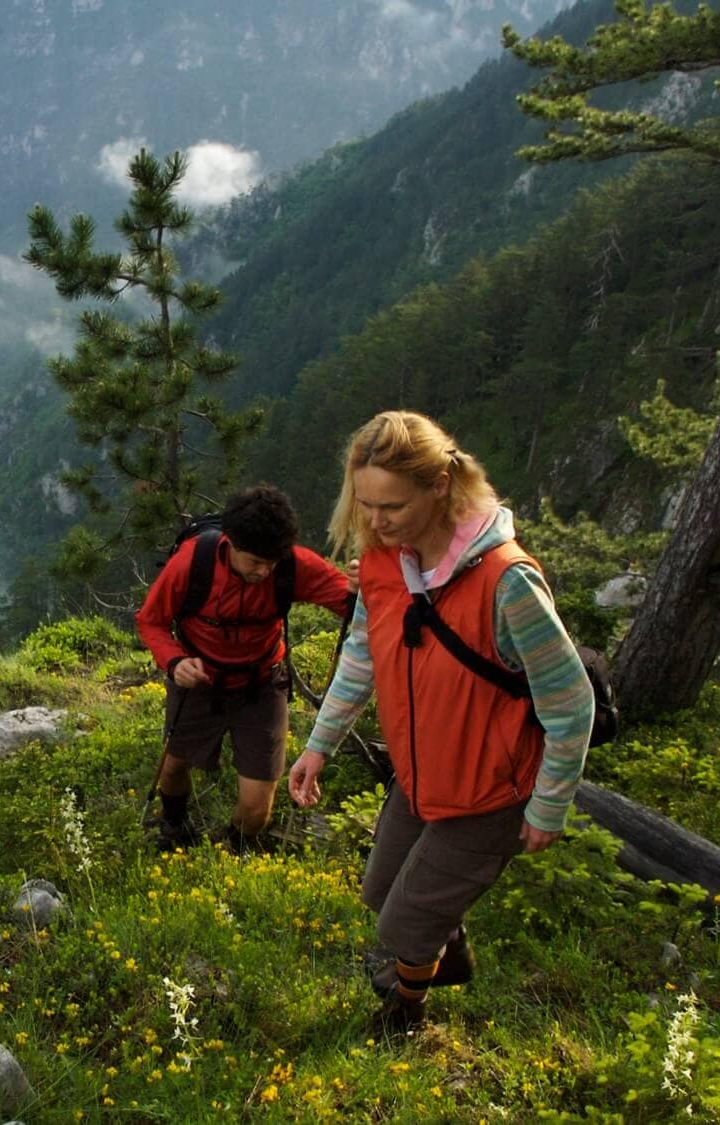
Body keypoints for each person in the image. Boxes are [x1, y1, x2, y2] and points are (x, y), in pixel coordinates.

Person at [287, 410, 594, 1036]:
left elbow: (570, 702)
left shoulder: (507, 583)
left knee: (402, 924)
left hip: (490, 792)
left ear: (440, 488)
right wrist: (319, 746)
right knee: (381, 891)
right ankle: (440, 947)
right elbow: (361, 657)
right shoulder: (383, 562)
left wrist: (549, 806)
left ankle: (407, 1012)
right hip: (420, 776)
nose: (375, 521)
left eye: (392, 505)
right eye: (365, 504)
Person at [136, 483, 352, 852]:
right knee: (173, 769)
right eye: (255, 562)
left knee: (256, 809)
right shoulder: (193, 562)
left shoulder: (291, 565)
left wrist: (368, 587)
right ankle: (174, 825)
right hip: (199, 682)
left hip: (261, 686)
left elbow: (351, 603)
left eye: (272, 562)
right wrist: (174, 662)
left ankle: (231, 850)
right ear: (230, 543)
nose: (265, 572)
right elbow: (151, 620)